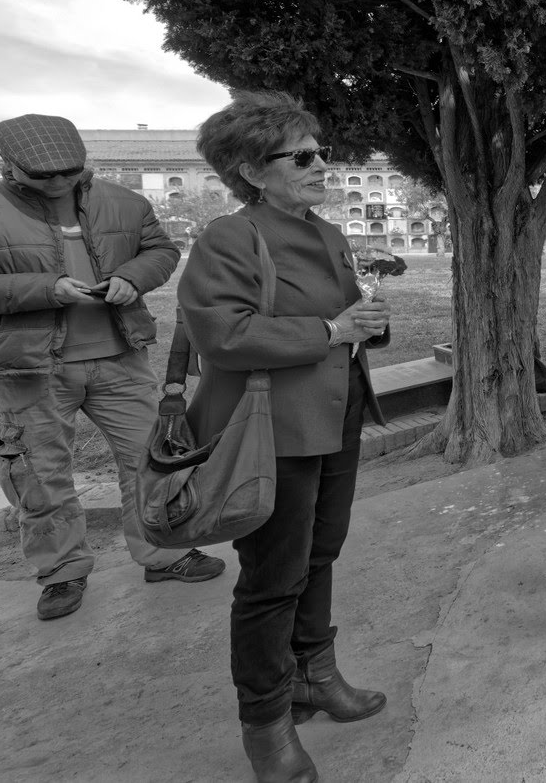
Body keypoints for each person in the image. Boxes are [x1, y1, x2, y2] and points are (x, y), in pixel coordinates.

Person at [179, 92, 391, 782]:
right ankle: (266, 722)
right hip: (274, 430)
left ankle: (314, 673)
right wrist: (331, 331)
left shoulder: (327, 233)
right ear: (250, 167)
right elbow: (225, 334)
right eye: (302, 155)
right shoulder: (229, 237)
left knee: (321, 553)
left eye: (322, 150)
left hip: (337, 417)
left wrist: (366, 318)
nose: (321, 163)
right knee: (272, 578)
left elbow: (343, 316)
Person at [0, 113, 220, 624]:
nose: (60, 182)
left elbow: (161, 250)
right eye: (44, 176)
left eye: (71, 170)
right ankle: (62, 572)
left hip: (120, 355)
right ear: (8, 164)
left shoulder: (123, 201)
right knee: (39, 474)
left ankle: (163, 553)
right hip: (27, 368)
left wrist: (133, 275)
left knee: (153, 459)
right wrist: (45, 290)